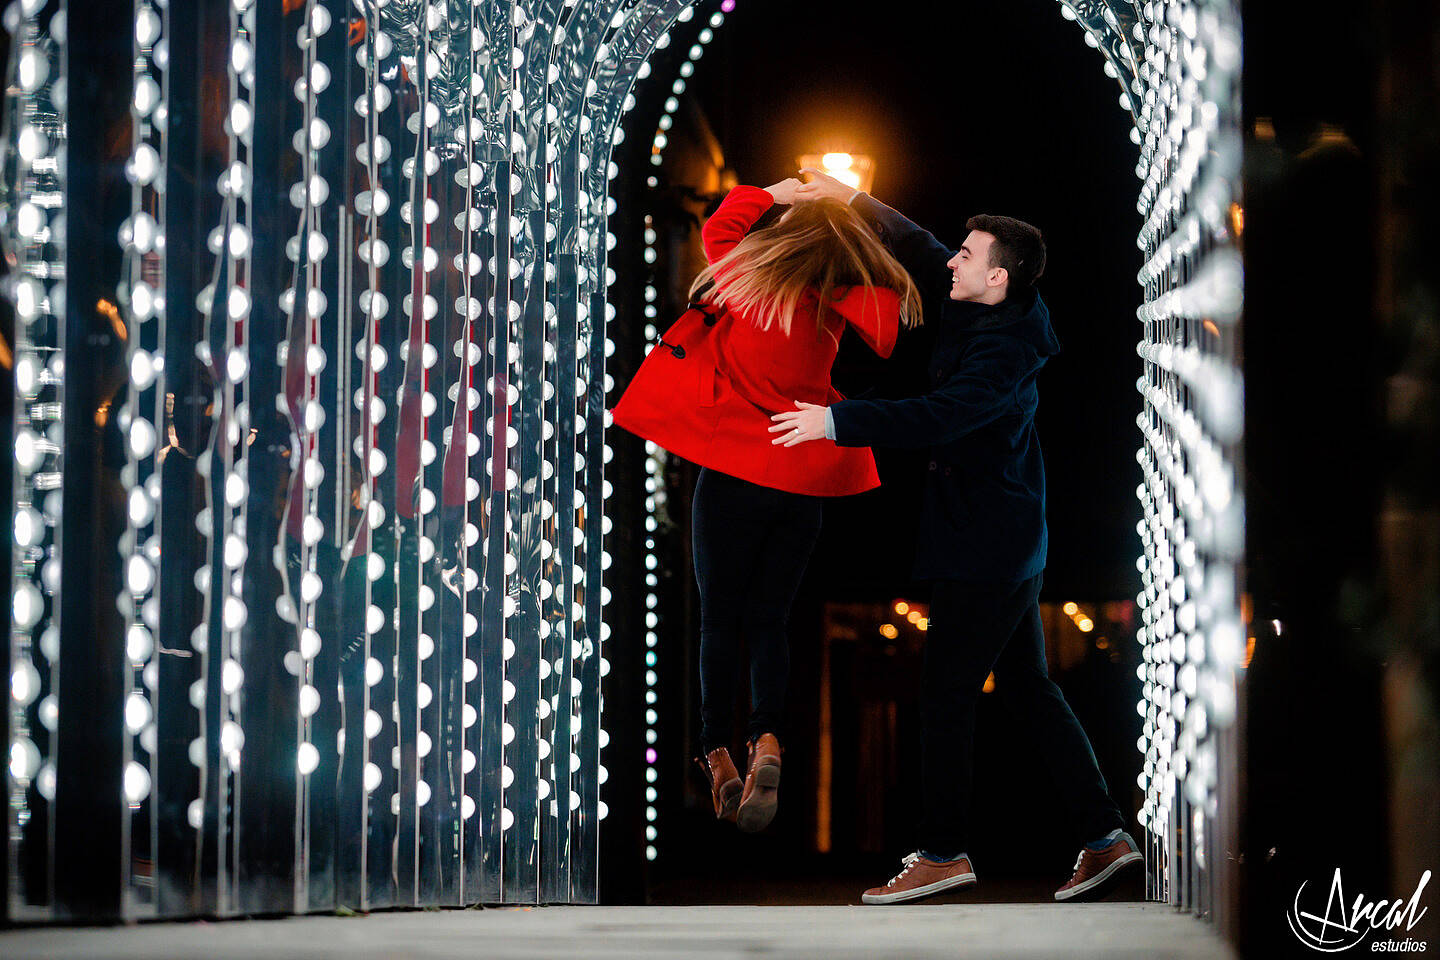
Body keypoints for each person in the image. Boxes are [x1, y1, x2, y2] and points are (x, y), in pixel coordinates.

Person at [771, 169, 1140, 902]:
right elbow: (918, 242)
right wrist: (845, 198)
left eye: (968, 257)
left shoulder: (1005, 353)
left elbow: (938, 415)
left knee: (945, 694)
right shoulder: (992, 305)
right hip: (1003, 538)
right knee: (1030, 688)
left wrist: (836, 420)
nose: (952, 261)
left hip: (988, 548)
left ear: (997, 279)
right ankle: (1105, 837)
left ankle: (944, 851)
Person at [612, 180, 922, 833]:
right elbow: (892, 312)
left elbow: (721, 224)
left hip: (729, 474)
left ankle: (718, 754)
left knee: (719, 619)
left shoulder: (744, 276)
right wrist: (855, 218)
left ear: (786, 234)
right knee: (772, 619)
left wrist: (777, 189)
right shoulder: (835, 307)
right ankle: (769, 740)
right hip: (801, 481)